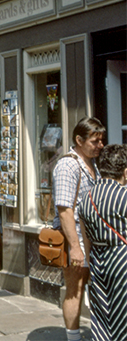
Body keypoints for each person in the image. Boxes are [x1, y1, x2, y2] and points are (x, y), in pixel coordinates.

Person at [53, 117, 105, 341]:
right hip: (76, 237)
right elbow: (65, 210)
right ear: (79, 140)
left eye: (101, 140)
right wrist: (75, 247)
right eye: (95, 141)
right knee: (75, 289)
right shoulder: (68, 165)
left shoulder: (91, 164)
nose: (100, 145)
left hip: (93, 237)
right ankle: (73, 337)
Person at [78, 144, 127, 341]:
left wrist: (89, 265)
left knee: (102, 317)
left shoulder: (87, 197)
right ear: (124, 170)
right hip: (122, 261)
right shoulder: (124, 196)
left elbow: (85, 237)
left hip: (98, 262)